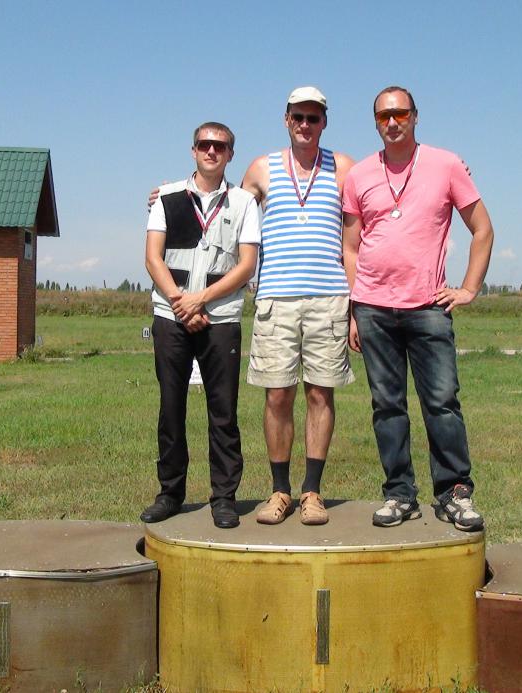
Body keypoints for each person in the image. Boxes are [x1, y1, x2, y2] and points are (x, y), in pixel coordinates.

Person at [149, 87, 355, 526]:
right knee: (277, 395)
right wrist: (168, 200)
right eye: (298, 117)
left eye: (313, 118)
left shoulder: (344, 167)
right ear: (286, 119)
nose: (305, 125)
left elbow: (371, 212)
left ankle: (312, 492)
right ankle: (280, 491)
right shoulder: (261, 168)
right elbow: (223, 212)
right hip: (275, 297)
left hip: (329, 296)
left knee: (321, 393)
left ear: (324, 122)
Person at [342, 86, 494, 531]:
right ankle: (399, 494)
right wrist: (355, 307)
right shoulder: (360, 175)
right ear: (375, 122)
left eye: (401, 113)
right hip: (373, 308)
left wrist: (468, 288)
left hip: (428, 307)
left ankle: (454, 493)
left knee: (442, 403)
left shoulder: (446, 165)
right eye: (383, 116)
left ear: (415, 116)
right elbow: (350, 247)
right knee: (387, 407)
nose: (392, 122)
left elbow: (482, 229)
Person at [140, 121, 260, 529]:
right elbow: (153, 257)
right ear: (193, 150)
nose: (212, 151)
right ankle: (170, 494)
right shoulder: (167, 197)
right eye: (205, 144)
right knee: (171, 409)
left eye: (220, 146)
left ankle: (223, 498)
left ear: (230, 154)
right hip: (171, 316)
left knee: (223, 412)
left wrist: (201, 300)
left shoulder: (243, 203)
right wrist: (180, 302)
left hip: (220, 318)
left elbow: (246, 264)